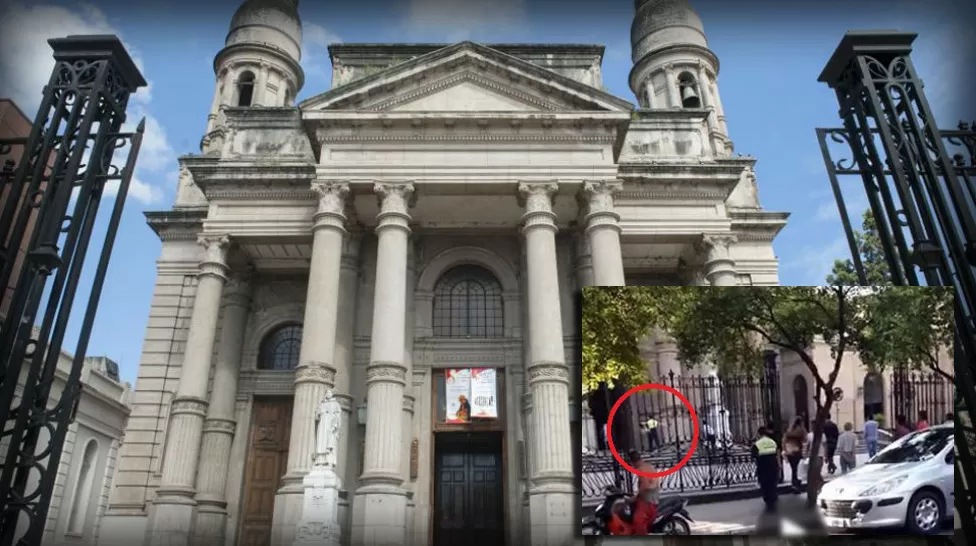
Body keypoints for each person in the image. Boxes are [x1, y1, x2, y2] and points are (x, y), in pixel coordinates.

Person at [628, 449, 661, 535]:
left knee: (638, 520)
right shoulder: (648, 466)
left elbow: (645, 486)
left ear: (633, 462)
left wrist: (635, 497)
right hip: (653, 497)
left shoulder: (641, 469)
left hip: (648, 501)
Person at [752, 426, 780, 513]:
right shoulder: (772, 442)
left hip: (763, 466)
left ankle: (768, 499)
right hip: (773, 465)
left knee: (765, 483)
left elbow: (753, 455)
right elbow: (777, 453)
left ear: (759, 434)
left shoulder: (757, 444)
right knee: (772, 482)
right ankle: (773, 497)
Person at [783, 417, 806, 491]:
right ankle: (795, 484)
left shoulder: (789, 431)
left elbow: (784, 441)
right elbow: (804, 440)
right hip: (796, 451)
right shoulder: (801, 430)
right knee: (796, 469)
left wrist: (785, 450)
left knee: (794, 468)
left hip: (789, 452)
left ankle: (794, 483)